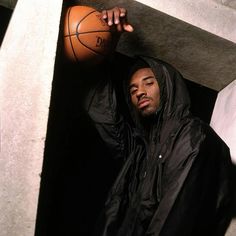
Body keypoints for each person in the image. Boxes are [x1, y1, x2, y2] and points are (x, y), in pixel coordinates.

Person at [77, 6, 234, 236]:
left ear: (167, 87)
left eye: (149, 83)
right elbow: (103, 114)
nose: (139, 91)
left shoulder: (192, 135)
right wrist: (106, 49)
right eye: (132, 89)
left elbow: (175, 218)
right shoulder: (140, 148)